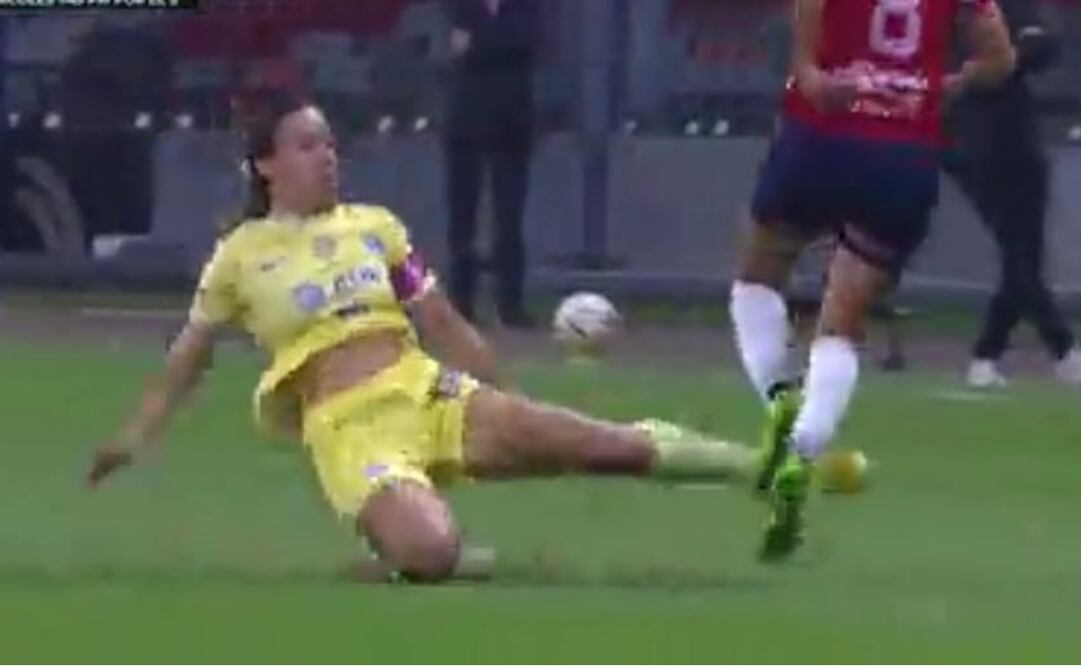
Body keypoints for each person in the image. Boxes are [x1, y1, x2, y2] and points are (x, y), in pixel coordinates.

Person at [84, 91, 778, 583]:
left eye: (329, 143)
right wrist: (132, 437)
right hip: (350, 430)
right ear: (266, 165)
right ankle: (408, 541)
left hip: (427, 390)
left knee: (599, 445)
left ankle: (763, 469)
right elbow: (189, 358)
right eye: (306, 145)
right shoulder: (240, 255)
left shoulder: (375, 227)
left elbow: (440, 319)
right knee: (431, 553)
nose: (327, 157)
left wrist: (506, 399)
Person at [729, 0, 1015, 560]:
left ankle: (779, 397)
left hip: (821, 134)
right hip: (903, 151)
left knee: (756, 279)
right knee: (844, 317)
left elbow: (808, 19)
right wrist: (948, 83)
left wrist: (809, 70)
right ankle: (805, 451)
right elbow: (1000, 58)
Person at [943, 0, 1081, 389]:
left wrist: (1006, 58)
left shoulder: (1008, 8)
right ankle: (1059, 351)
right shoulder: (939, 16)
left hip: (1020, 142)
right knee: (1019, 253)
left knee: (1023, 256)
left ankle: (993, 356)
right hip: (971, 148)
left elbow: (1047, 46)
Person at [442, 0, 538, 327]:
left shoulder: (527, 7)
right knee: (462, 221)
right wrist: (496, 42)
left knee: (509, 218)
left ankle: (510, 304)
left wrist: (478, 43)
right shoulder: (458, 6)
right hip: (465, 123)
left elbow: (527, 42)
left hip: (512, 123)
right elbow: (451, 50)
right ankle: (462, 303)